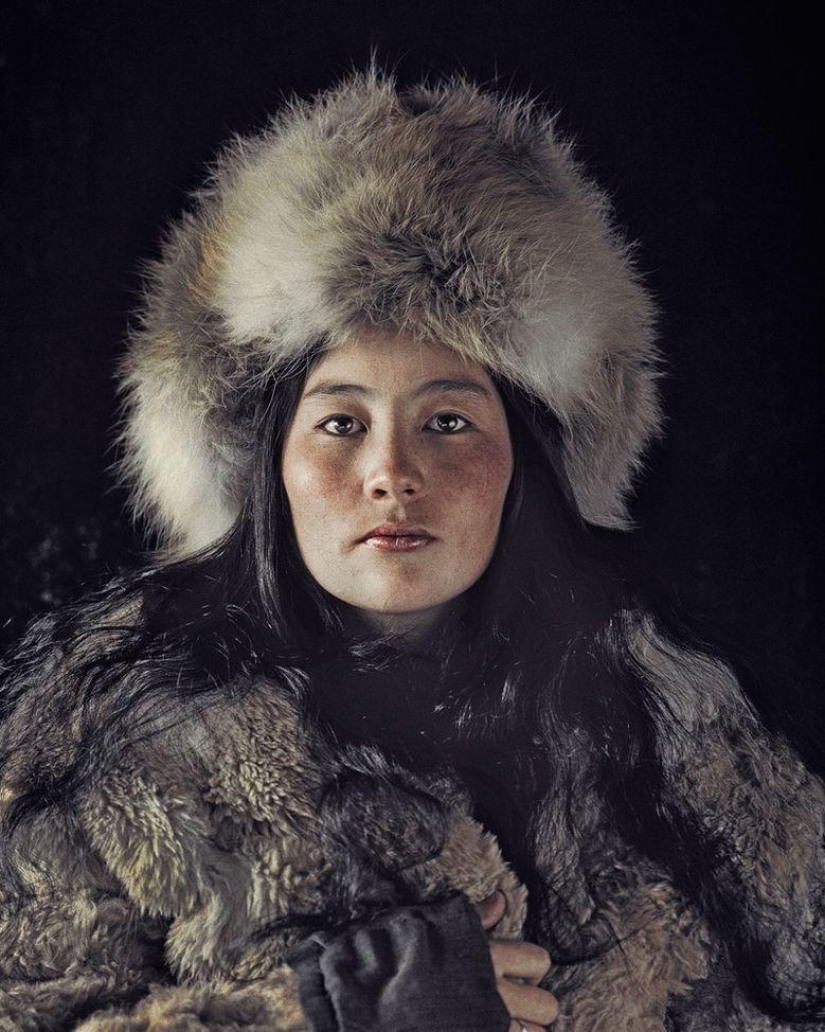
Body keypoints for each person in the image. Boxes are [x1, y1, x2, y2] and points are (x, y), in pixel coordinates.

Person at [0, 65, 822, 1032]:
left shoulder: (683, 731)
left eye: (448, 422)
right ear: (267, 468)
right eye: (340, 424)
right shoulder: (107, 738)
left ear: (527, 467)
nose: (391, 473)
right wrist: (333, 1013)